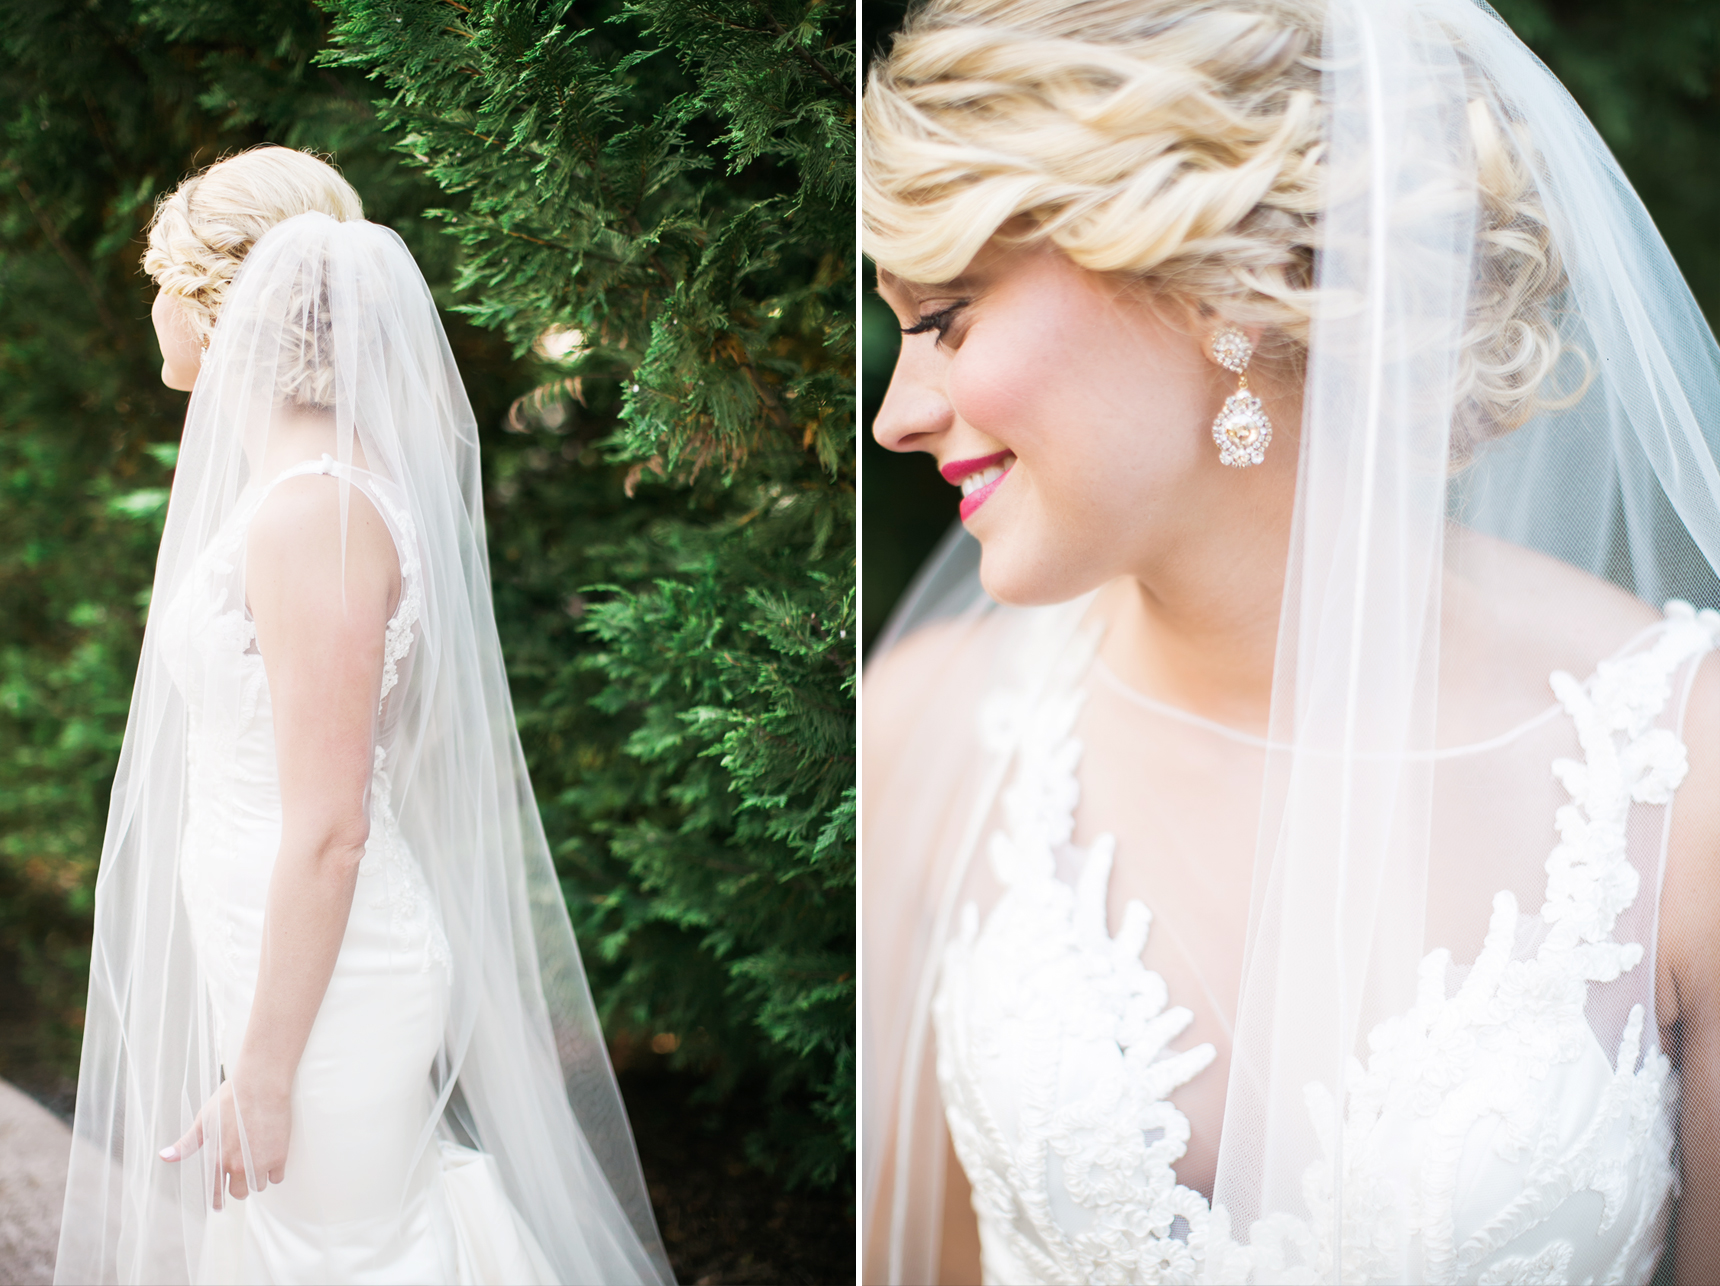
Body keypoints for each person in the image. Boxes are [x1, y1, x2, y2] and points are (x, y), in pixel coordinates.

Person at [861, 0, 1720, 1282]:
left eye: (946, 317)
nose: (899, 413)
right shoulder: (924, 724)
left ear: (1225, 283)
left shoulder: (1682, 771)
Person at [54, 145, 674, 1285]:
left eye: (162, 277)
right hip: (283, 959)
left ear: (211, 297)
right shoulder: (306, 487)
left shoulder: (315, 514)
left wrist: (271, 1066)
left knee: (345, 1254)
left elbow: (333, 822)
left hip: (330, 993)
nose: (152, 306)